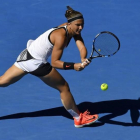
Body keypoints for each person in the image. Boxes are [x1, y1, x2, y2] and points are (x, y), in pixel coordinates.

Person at [0, 6, 98, 128]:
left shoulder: (72, 29)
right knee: (64, 87)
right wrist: (74, 66)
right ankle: (78, 118)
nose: (81, 27)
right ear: (69, 23)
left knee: (2, 81)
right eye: (78, 25)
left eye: (82, 24)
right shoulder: (60, 36)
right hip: (36, 62)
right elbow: (55, 63)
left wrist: (83, 59)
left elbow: (81, 46)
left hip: (26, 56)